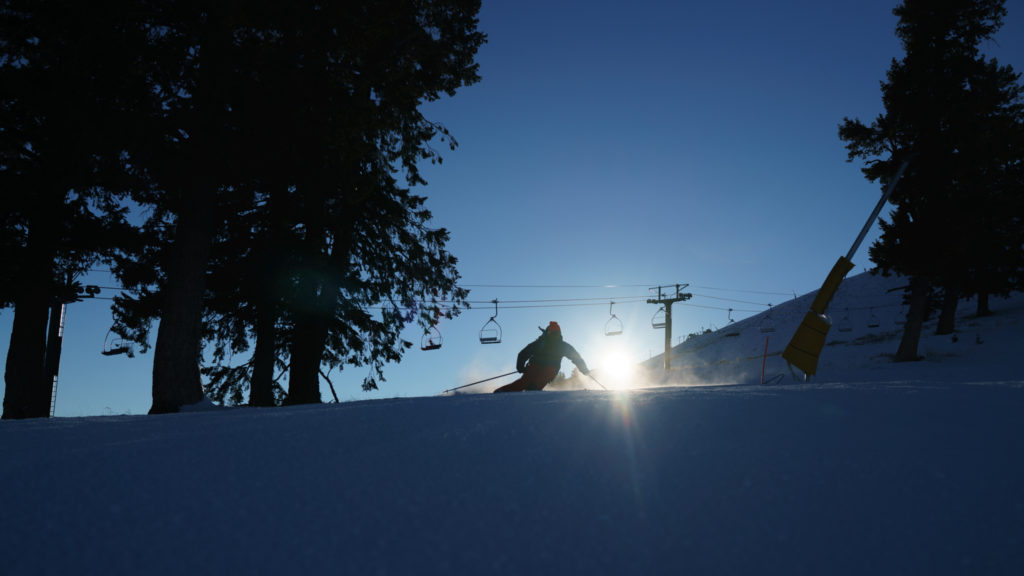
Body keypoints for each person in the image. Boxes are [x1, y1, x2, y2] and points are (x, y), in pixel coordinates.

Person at [494, 321, 590, 393]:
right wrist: (520, 366)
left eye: (556, 334)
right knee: (523, 383)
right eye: (553, 334)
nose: (554, 336)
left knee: (538, 381)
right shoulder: (542, 343)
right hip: (536, 367)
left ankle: (531, 390)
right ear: (548, 333)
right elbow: (524, 353)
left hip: (549, 369)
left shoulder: (561, 346)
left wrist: (584, 369)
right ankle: (501, 392)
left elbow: (576, 357)